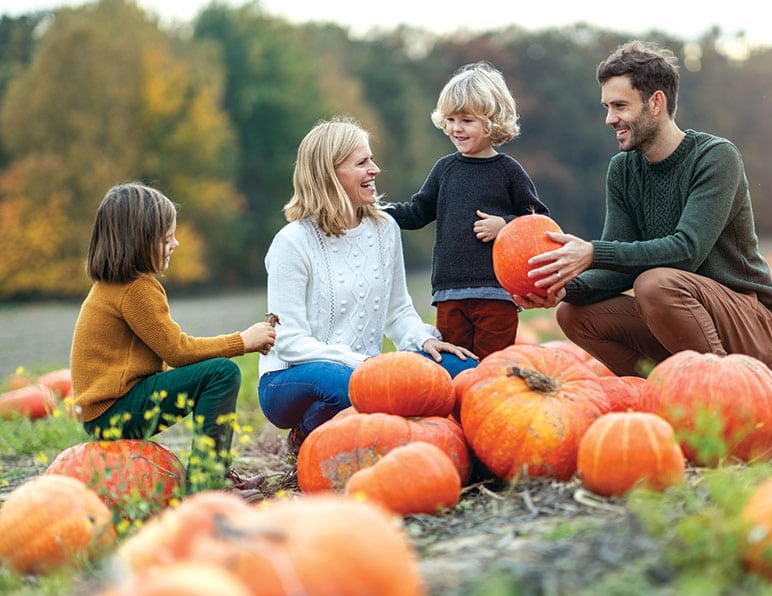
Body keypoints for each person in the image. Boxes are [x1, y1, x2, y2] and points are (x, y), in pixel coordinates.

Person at [513, 41, 772, 376]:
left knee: (654, 284)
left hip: (751, 324)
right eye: (606, 106)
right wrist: (562, 289)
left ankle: (726, 389)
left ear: (656, 102)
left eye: (619, 106)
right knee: (573, 314)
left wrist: (591, 252)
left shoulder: (715, 157)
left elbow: (687, 250)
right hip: (679, 321)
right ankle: (662, 397)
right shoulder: (623, 170)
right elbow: (618, 269)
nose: (609, 119)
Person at [257, 117, 478, 455]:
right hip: (290, 378)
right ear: (330, 173)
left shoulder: (384, 228)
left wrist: (421, 341)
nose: (375, 169)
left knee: (464, 371)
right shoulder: (293, 242)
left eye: (371, 159)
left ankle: (446, 447)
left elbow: (398, 310)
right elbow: (287, 342)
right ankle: (307, 437)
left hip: (365, 371)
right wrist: (360, 364)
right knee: (346, 386)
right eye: (362, 162)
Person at [69, 183, 277, 493]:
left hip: (104, 412)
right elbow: (177, 351)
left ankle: (214, 473)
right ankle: (208, 485)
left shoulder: (115, 286)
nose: (176, 243)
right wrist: (242, 341)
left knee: (210, 374)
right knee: (221, 373)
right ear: (139, 242)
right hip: (113, 412)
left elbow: (165, 356)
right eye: (167, 238)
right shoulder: (135, 289)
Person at [384, 61, 550, 358]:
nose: (455, 128)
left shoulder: (508, 171)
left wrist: (505, 225)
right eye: (450, 119)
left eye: (466, 120)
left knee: (489, 367)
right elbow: (417, 212)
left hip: (496, 294)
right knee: (453, 367)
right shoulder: (444, 169)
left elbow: (538, 222)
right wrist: (378, 212)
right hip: (449, 293)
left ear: (492, 122)